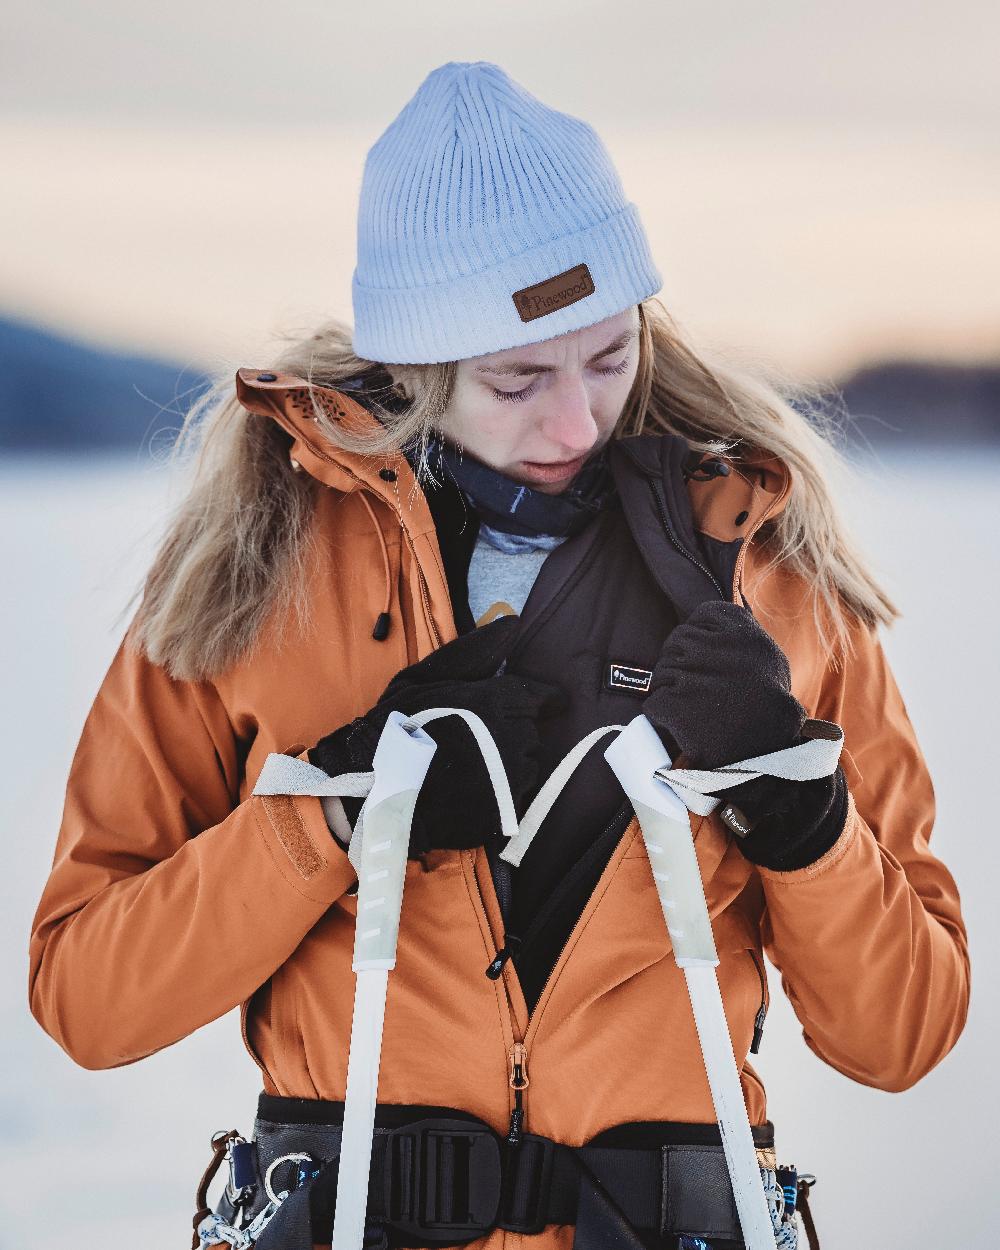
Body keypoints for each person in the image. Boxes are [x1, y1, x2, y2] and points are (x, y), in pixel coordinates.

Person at [28, 61, 969, 1250]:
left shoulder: (769, 571)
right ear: (420, 365)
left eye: (607, 357)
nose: (575, 421)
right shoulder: (251, 572)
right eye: (517, 378)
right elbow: (88, 1001)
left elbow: (906, 1034)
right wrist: (330, 814)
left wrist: (801, 813)